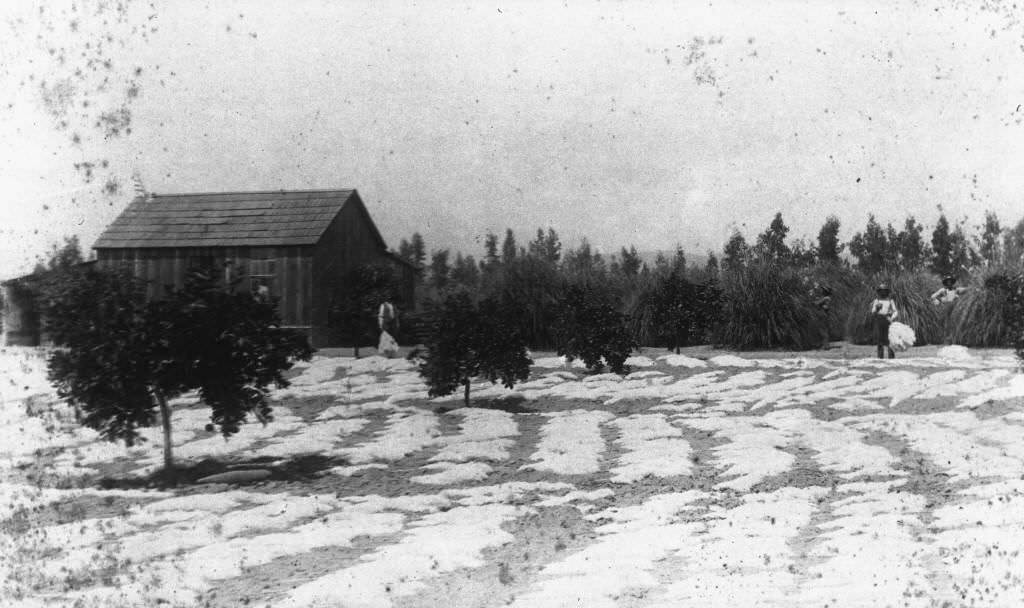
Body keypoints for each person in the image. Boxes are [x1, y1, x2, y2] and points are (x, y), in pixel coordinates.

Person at [870, 284, 898, 359]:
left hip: (888, 319)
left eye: (884, 291)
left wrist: (892, 318)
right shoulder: (877, 300)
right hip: (879, 319)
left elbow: (895, 311)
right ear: (879, 292)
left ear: (887, 292)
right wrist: (876, 308)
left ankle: (891, 357)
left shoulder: (890, 300)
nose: (883, 292)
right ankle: (880, 357)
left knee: (890, 339)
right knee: (879, 339)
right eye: (881, 291)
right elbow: (873, 312)